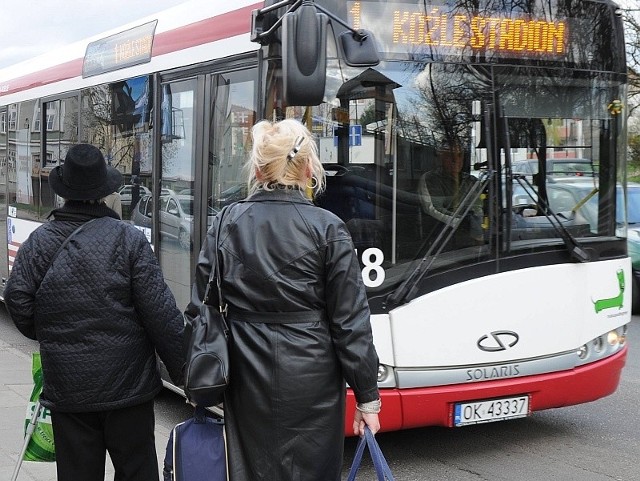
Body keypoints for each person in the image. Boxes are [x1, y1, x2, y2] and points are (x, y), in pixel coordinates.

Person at [185, 119, 381, 481]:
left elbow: (200, 309)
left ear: (257, 169)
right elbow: (350, 323)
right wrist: (367, 397)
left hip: (246, 376)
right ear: (309, 168)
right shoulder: (328, 227)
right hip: (314, 379)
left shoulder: (226, 221)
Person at [4, 144, 185, 481]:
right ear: (104, 192)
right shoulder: (129, 241)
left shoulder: (40, 242)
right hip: (129, 391)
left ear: (64, 193)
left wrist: (52, 334)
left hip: (70, 391)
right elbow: (161, 315)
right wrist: (188, 374)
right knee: (136, 471)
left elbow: (16, 298)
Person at [418, 149, 483, 247]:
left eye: (460, 155)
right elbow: (434, 209)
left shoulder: (472, 181)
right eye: (450, 156)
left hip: (474, 242)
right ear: (440, 158)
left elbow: (479, 208)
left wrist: (478, 230)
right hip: (440, 243)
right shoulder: (430, 179)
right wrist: (464, 222)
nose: (456, 160)